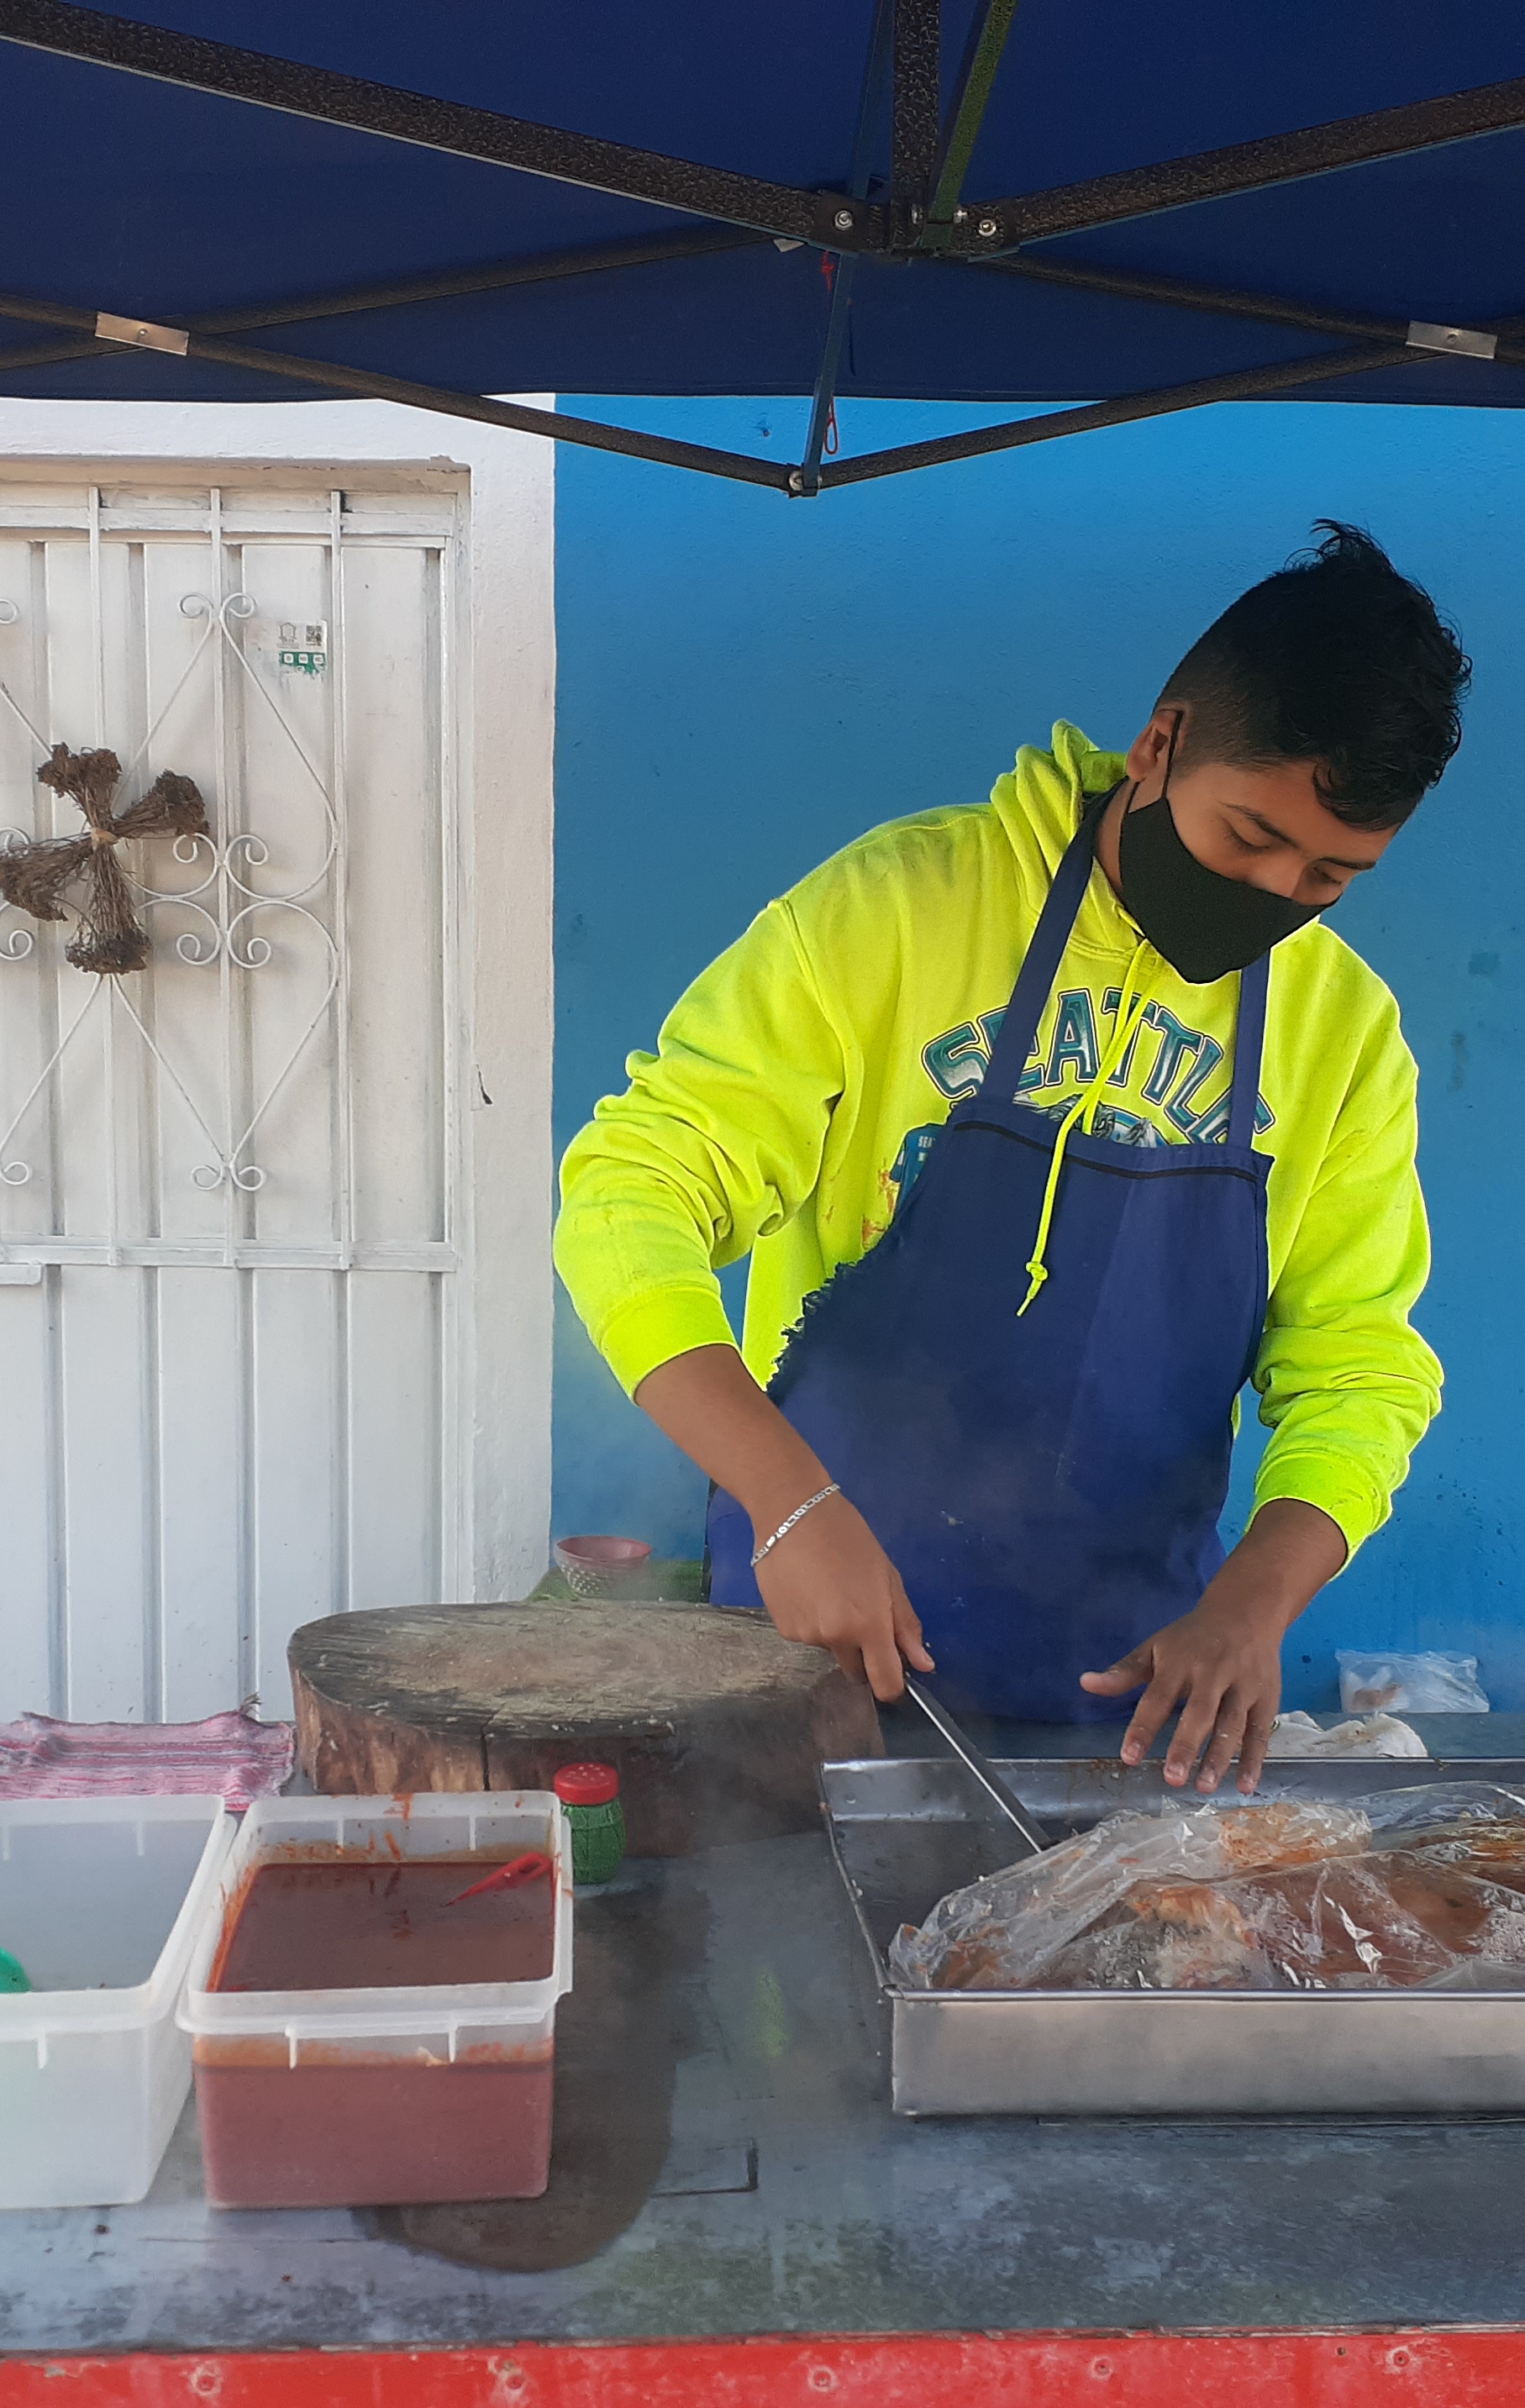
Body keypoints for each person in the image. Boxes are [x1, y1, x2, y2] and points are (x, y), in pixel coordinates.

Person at [554, 522, 1460, 1795]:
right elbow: (631, 1189)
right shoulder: (894, 910)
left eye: (1330, 875)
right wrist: (788, 1502)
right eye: (1249, 837)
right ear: (1162, 745)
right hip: (814, 1639)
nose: (1277, 892)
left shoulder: (1345, 1035)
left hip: (1133, 1688)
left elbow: (1358, 1362)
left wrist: (1255, 1603)